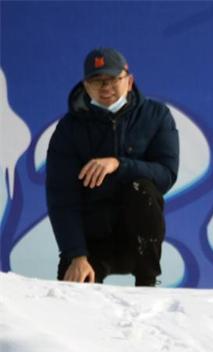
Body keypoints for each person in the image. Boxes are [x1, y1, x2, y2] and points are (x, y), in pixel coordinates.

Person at [46, 47, 179, 286]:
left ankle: (148, 282)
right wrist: (76, 255)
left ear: (129, 81)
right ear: (86, 86)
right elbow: (61, 198)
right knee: (68, 304)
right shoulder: (68, 129)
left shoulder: (157, 116)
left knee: (143, 188)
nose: (105, 87)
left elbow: (166, 175)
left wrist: (119, 165)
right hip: (91, 242)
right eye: (97, 81)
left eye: (112, 79)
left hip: (137, 242)